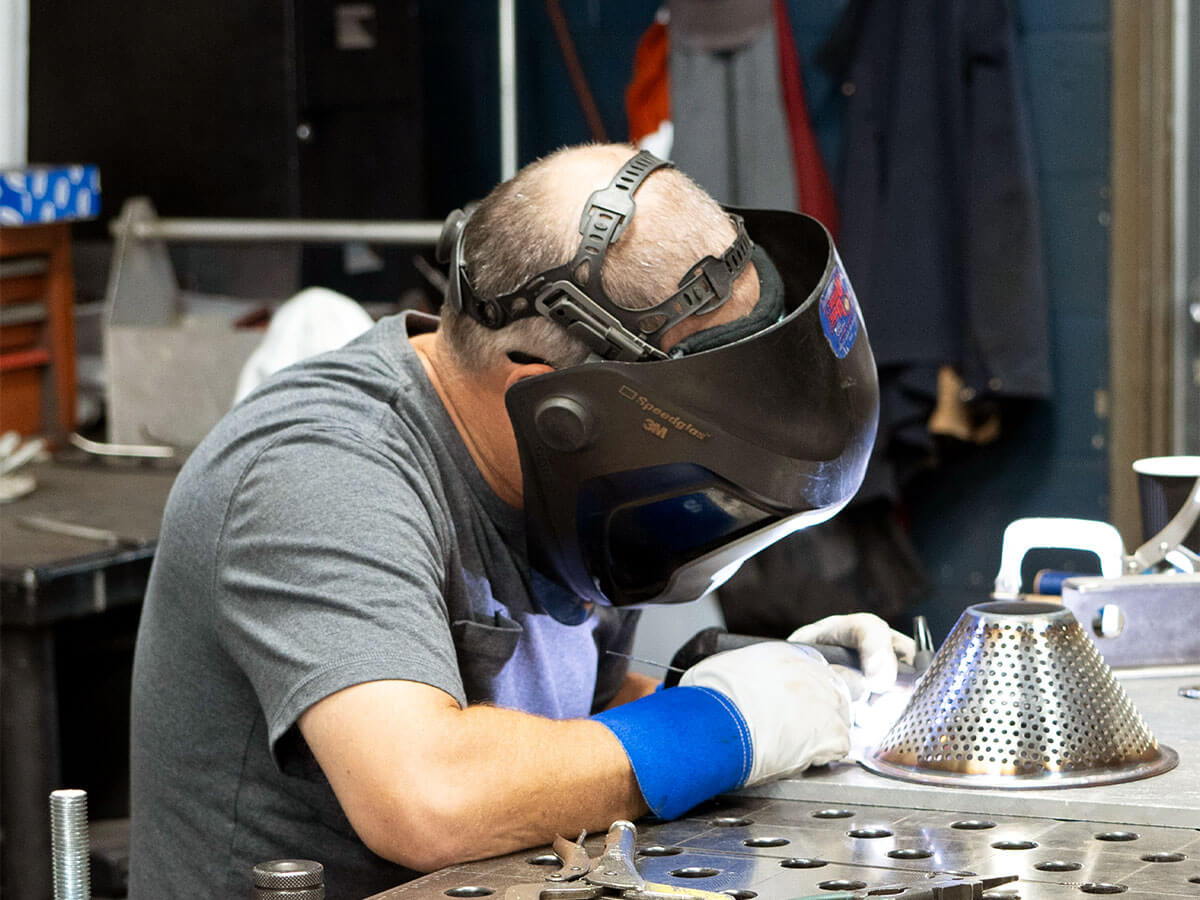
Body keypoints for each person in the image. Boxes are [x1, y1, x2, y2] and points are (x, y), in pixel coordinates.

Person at [129, 143, 913, 899]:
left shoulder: (564, 484)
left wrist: (762, 688)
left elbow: (560, 725)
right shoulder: (319, 469)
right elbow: (428, 795)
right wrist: (723, 726)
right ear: (553, 399)